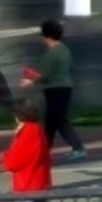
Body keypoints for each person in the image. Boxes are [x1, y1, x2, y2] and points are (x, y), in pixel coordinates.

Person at [20, 19, 87, 160]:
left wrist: (30, 81)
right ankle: (47, 150)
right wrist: (39, 77)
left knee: (57, 120)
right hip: (65, 87)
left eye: (42, 34)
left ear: (47, 36)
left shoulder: (52, 53)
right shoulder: (64, 49)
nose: (41, 37)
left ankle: (76, 147)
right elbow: (67, 69)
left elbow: (46, 75)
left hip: (55, 89)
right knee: (53, 121)